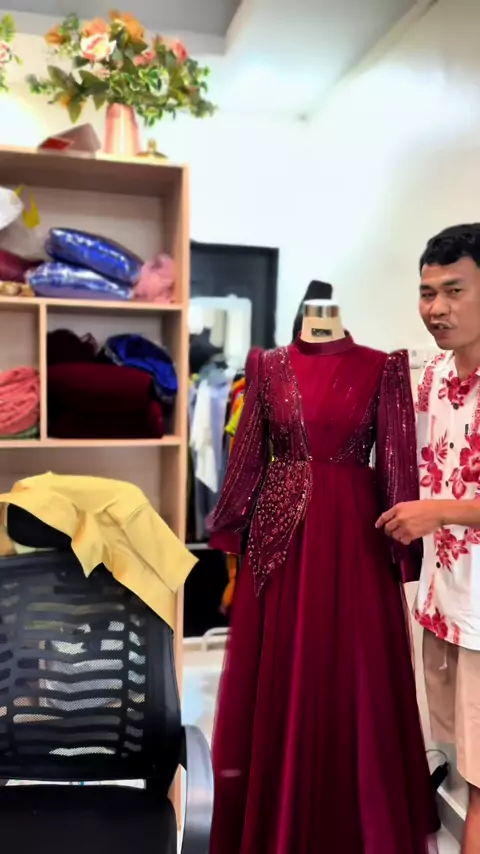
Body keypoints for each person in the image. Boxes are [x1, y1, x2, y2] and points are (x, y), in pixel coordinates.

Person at [377, 224, 480, 854]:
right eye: (426, 292)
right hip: (444, 598)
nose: (436, 308)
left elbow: (434, 501)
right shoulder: (434, 374)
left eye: (454, 290)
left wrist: (438, 512)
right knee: (460, 749)